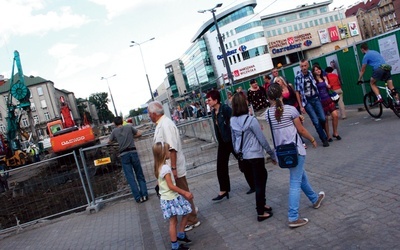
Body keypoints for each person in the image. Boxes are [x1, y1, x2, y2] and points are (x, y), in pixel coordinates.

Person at [266, 84, 325, 228]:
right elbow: (301, 130)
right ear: (282, 93)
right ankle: (293, 217)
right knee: (295, 182)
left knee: (300, 176)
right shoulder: (291, 110)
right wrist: (312, 139)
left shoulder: (268, 114)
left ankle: (315, 199)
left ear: (269, 98)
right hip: (296, 150)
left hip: (283, 153)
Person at [148, 101, 201, 232]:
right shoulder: (162, 124)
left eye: (149, 114)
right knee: (181, 191)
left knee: (183, 191)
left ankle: (192, 218)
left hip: (172, 167)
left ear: (154, 114)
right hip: (169, 167)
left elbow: (172, 149)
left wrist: (173, 168)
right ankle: (191, 213)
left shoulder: (165, 125)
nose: (149, 116)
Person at [230, 93, 277, 222]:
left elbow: (233, 140)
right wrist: (272, 154)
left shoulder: (232, 121)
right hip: (255, 154)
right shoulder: (251, 120)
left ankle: (262, 204)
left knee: (260, 178)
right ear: (244, 104)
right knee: (260, 182)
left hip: (244, 156)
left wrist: (238, 151)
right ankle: (260, 212)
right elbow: (262, 138)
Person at [152, 142, 193, 250]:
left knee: (181, 214)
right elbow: (170, 185)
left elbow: (159, 183)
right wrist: (184, 192)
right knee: (179, 216)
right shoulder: (165, 168)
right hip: (171, 198)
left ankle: (180, 235)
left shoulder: (158, 167)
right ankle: (175, 243)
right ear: (163, 153)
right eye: (168, 150)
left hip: (167, 198)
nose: (170, 152)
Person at [108, 116, 148, 203]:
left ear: (114, 124)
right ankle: (144, 195)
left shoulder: (114, 131)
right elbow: (139, 133)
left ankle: (138, 198)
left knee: (130, 178)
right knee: (139, 175)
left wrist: (117, 140)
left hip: (124, 155)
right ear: (122, 121)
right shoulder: (129, 127)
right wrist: (132, 137)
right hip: (133, 152)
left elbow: (109, 141)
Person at [206, 90, 236, 201]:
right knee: (221, 167)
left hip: (231, 140)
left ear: (216, 100)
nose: (207, 102)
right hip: (223, 142)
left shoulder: (226, 109)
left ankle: (254, 184)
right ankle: (224, 190)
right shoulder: (214, 112)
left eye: (209, 100)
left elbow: (234, 121)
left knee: (244, 162)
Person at [294, 59, 330, 147]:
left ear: (308, 65)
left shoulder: (311, 73)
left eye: (305, 66)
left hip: (316, 98)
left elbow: (320, 76)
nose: (304, 68)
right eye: (302, 66)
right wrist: (301, 106)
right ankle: (324, 138)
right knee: (316, 121)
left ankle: (322, 131)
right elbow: (297, 92)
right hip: (307, 101)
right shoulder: (298, 77)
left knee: (323, 118)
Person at [274, 76, 307, 147]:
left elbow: (295, 95)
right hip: (288, 110)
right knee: (294, 126)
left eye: (278, 81)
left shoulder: (289, 86)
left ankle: (300, 136)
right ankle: (301, 141)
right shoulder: (278, 92)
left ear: (282, 81)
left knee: (300, 123)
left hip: (295, 106)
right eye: (276, 82)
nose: (278, 82)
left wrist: (300, 106)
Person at [312, 65, 341, 142]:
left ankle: (335, 132)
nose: (318, 71)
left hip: (328, 99)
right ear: (313, 72)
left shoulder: (324, 78)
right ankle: (328, 135)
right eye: (316, 70)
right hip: (321, 101)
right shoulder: (314, 81)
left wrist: (328, 86)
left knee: (335, 115)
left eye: (319, 69)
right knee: (325, 119)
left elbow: (328, 86)